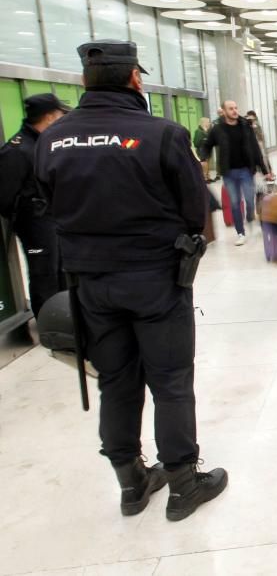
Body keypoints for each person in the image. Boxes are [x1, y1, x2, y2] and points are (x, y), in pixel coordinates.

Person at [34, 40, 227, 521]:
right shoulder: (160, 133)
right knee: (171, 380)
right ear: (135, 79)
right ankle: (183, 482)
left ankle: (131, 482)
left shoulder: (53, 139)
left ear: (84, 81)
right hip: (156, 278)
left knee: (116, 380)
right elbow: (192, 207)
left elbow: (47, 201)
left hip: (90, 282)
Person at [0, 93, 70, 318]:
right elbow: (4, 195)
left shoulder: (43, 143)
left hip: (52, 219)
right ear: (49, 117)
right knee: (44, 274)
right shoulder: (18, 149)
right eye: (60, 114)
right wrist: (29, 214)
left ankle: (63, 318)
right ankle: (47, 321)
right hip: (35, 223)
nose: (62, 118)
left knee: (60, 270)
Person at [200, 100, 273, 246]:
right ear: (224, 111)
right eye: (231, 108)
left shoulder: (245, 126)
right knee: (234, 203)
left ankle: (251, 219)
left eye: (235, 108)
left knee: (249, 201)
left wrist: (265, 170)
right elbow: (207, 145)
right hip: (229, 172)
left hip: (246, 170)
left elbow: (255, 148)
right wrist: (203, 157)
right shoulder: (218, 129)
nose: (234, 111)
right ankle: (241, 233)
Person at [192, 116, 212, 181]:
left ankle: (207, 176)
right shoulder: (198, 131)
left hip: (207, 150)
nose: (209, 123)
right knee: (204, 163)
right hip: (202, 150)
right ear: (204, 123)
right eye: (208, 122)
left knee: (207, 162)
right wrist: (204, 140)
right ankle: (204, 177)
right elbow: (196, 143)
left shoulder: (207, 131)